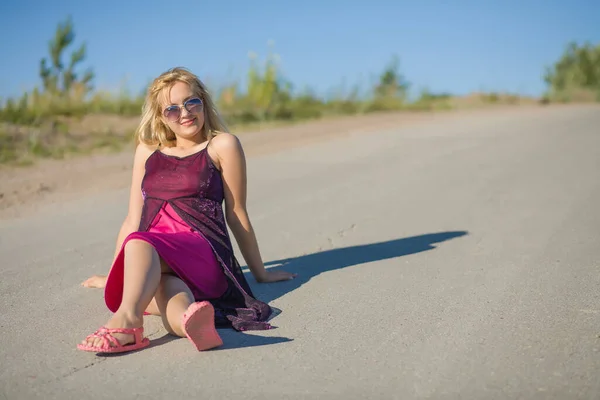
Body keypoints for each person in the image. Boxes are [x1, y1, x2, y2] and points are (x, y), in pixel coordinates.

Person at [77, 67, 296, 354]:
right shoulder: (147, 151)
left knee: (142, 246)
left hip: (201, 253)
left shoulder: (221, 145)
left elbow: (237, 213)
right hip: (153, 255)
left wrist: (261, 273)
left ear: (204, 102)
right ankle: (189, 324)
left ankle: (127, 322)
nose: (184, 113)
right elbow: (133, 218)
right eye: (171, 109)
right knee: (164, 287)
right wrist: (116, 273)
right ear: (160, 117)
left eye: (192, 102)